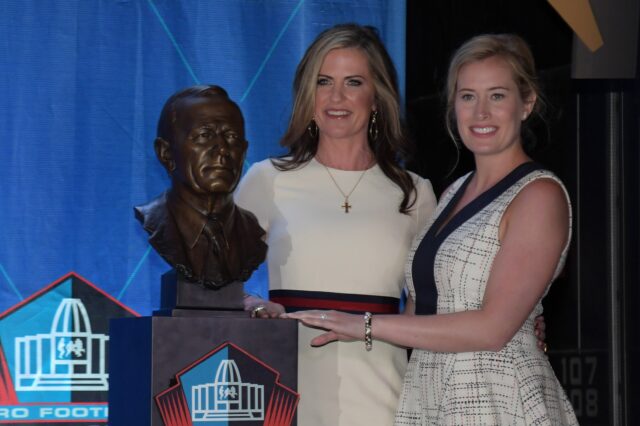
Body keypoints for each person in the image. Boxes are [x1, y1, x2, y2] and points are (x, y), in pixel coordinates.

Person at [283, 33, 577, 425]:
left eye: (497, 96)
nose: (481, 112)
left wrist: (363, 324)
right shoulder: (453, 192)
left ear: (527, 104)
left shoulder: (539, 195)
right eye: (468, 96)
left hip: (498, 401)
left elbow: (493, 328)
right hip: (429, 398)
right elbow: (426, 311)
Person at [234, 24, 437, 426]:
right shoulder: (267, 180)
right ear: (307, 96)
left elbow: (431, 313)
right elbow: (214, 284)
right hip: (282, 395)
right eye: (323, 81)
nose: (336, 97)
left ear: (377, 96)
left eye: (353, 82)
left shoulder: (415, 194)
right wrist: (254, 307)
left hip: (384, 401)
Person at [135, 85, 267, 290]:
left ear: (243, 151)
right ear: (166, 154)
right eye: (204, 136)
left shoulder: (252, 233)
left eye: (231, 137)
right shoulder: (155, 219)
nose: (223, 149)